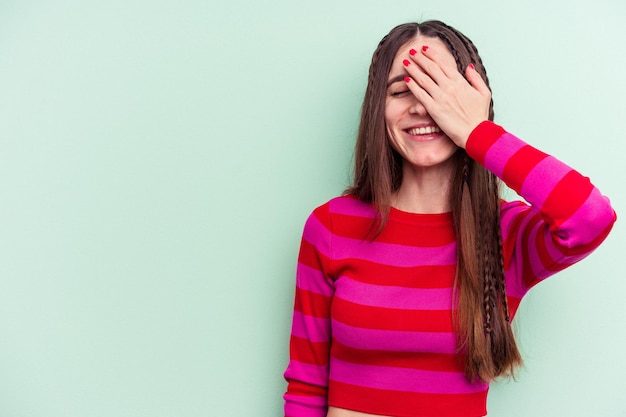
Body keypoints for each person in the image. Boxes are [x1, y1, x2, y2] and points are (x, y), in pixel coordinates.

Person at [282, 20, 616, 417]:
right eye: (401, 90)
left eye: (439, 91)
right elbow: (305, 387)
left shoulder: (503, 233)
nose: (421, 106)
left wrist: (477, 131)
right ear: (378, 108)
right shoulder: (331, 227)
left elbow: (590, 217)